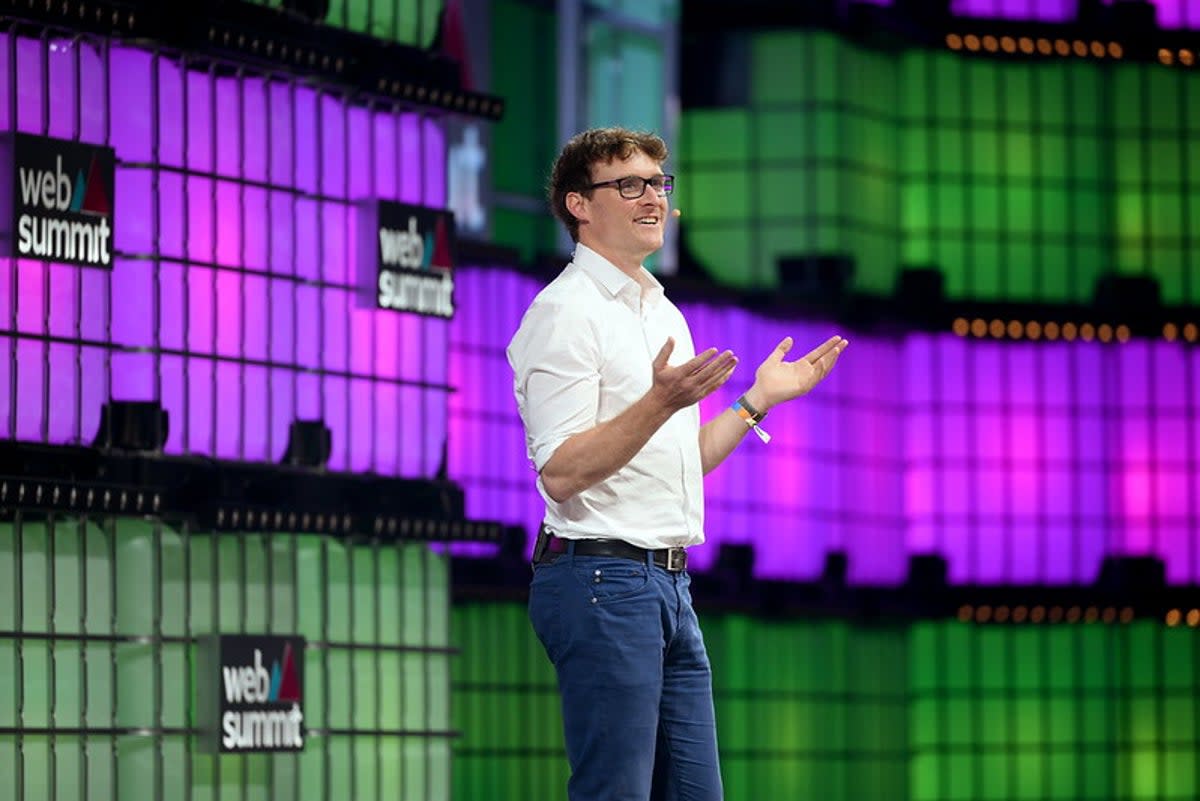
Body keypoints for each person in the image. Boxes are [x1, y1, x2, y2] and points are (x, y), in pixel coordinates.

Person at [506, 127, 848, 801]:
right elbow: (563, 470)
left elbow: (678, 463)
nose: (653, 198)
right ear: (579, 203)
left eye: (659, 184)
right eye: (629, 184)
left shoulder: (660, 310)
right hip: (600, 578)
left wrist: (755, 403)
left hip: (668, 583)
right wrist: (660, 401)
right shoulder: (564, 313)